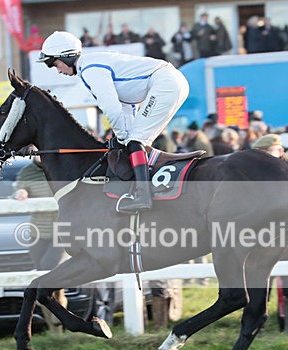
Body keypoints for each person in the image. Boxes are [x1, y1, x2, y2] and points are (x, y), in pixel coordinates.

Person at [38, 31, 189, 213]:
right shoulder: (91, 65)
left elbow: (111, 109)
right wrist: (122, 135)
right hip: (169, 81)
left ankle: (143, 195)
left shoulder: (90, 70)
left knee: (135, 141)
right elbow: (127, 106)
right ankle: (144, 187)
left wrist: (123, 137)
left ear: (66, 57)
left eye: (55, 64)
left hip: (166, 82)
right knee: (136, 141)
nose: (59, 71)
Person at [13, 157, 67, 332]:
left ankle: (59, 317)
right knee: (42, 284)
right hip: (38, 233)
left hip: (62, 231)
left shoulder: (60, 167)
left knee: (49, 269)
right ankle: (56, 331)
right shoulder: (27, 172)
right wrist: (21, 193)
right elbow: (19, 189)